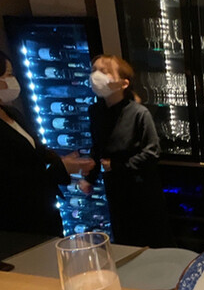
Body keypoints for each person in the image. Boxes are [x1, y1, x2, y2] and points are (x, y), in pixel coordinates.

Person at [78, 54, 173, 248]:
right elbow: (98, 147)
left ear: (123, 83)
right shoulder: (95, 112)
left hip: (142, 190)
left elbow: (152, 152)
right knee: (124, 239)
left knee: (151, 241)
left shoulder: (139, 113)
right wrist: (90, 178)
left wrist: (117, 165)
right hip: (115, 188)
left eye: (104, 71)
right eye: (94, 70)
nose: (96, 76)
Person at [0, 49, 94, 236]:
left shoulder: (12, 113)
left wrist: (64, 161)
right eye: (8, 75)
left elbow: (34, 153)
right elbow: (12, 183)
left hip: (43, 212)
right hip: (21, 223)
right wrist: (60, 169)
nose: (12, 81)